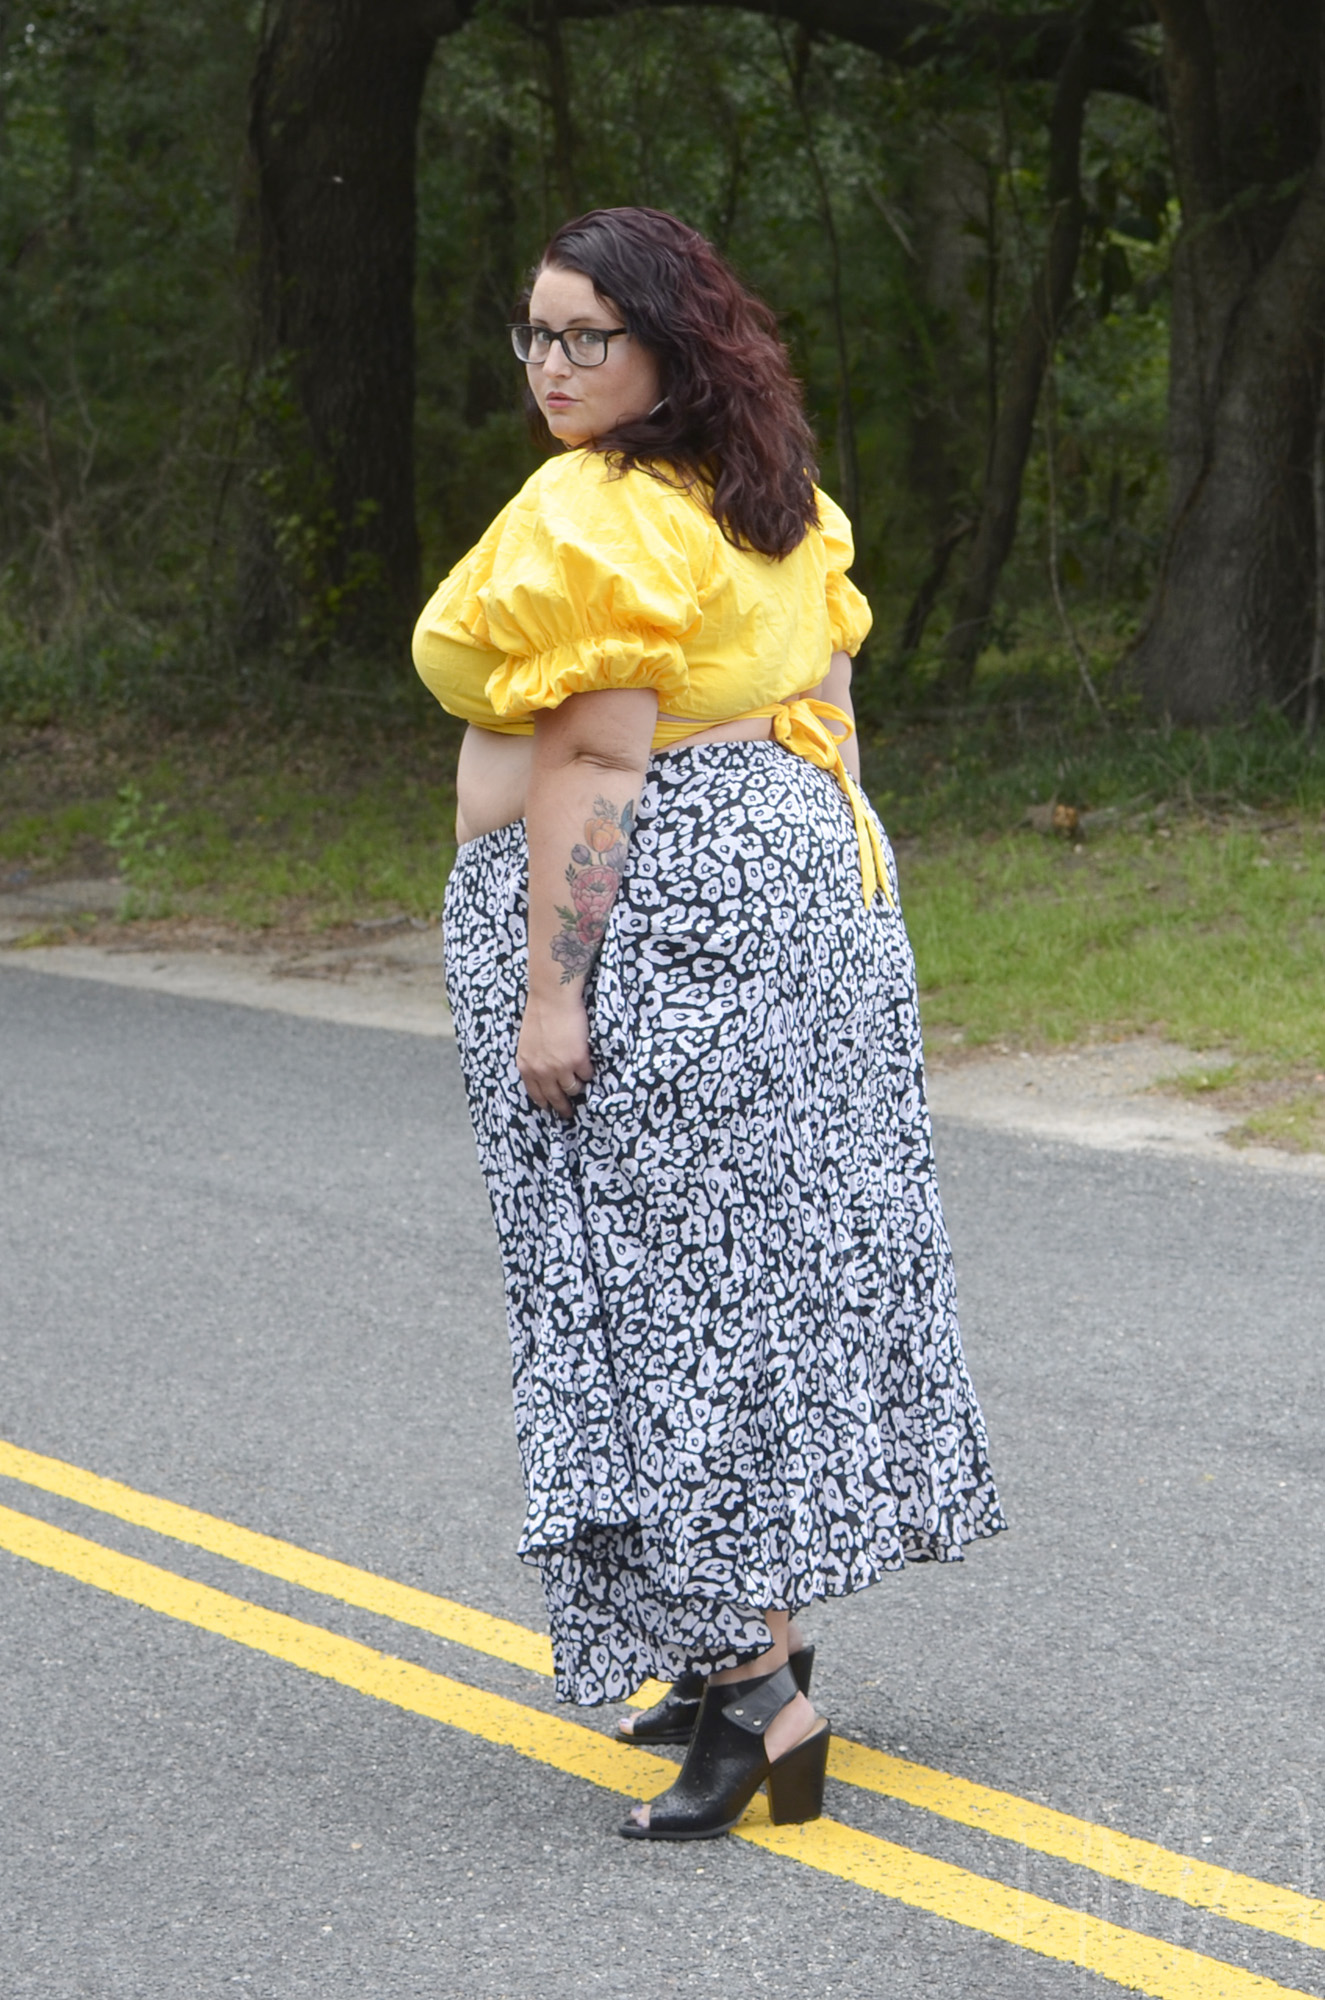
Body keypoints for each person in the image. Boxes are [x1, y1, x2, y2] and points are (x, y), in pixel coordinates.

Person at [413, 206, 1005, 1842]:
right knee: (766, 1270)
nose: (549, 366)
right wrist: (840, 919)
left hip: (660, 928)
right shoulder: (767, 499)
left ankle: (756, 1706)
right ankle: (757, 1634)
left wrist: (554, 987)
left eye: (583, 337)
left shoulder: (590, 515)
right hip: (799, 902)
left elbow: (594, 768)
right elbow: (827, 714)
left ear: (668, 345)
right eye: (531, 334)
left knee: (658, 1298)